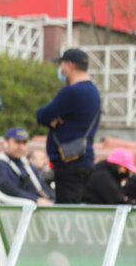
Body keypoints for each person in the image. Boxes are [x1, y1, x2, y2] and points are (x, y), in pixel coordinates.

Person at [36, 48, 101, 203]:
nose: (61, 69)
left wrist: (54, 119)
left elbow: (42, 115)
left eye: (61, 65)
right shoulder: (93, 92)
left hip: (69, 164)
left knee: (67, 213)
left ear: (69, 65)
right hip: (84, 159)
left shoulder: (72, 92)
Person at [0, 127, 55, 203]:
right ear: (6, 143)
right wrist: (35, 200)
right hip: (15, 208)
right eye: (17, 142)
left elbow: (42, 186)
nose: (21, 146)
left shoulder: (27, 165)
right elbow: (6, 188)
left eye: (24, 143)